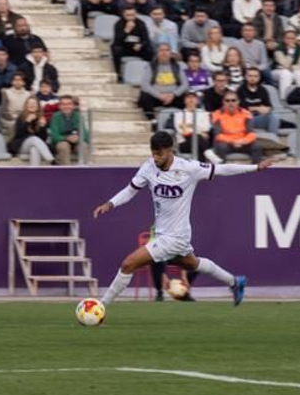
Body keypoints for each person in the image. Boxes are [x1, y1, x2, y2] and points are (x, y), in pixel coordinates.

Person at [90, 130, 278, 317]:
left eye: (159, 153)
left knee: (128, 264)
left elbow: (222, 169)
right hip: (162, 233)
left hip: (176, 236)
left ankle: (101, 307)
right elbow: (130, 190)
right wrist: (110, 203)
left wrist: (256, 168)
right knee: (192, 264)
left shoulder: (189, 168)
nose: (155, 157)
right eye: (153, 153)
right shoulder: (148, 167)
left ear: (170, 150)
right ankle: (235, 282)